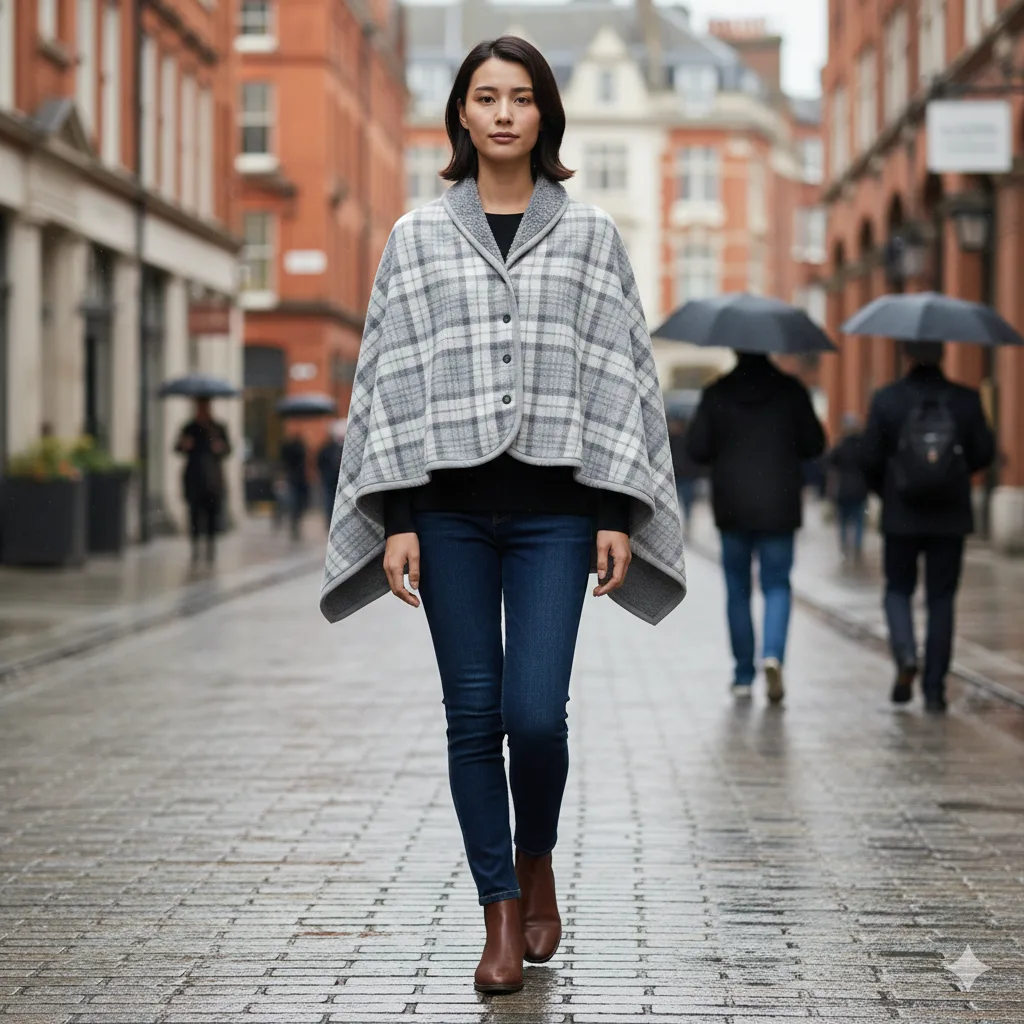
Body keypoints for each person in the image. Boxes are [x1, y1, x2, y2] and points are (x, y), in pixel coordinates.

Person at [317, 36, 686, 995]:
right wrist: (396, 514)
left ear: (545, 115)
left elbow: (619, 377)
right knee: (473, 716)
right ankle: (499, 913)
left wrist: (614, 507)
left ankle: (537, 858)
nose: (505, 113)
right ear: (463, 116)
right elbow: (390, 382)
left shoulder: (594, 235)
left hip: (558, 514)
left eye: (521, 97)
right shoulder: (416, 236)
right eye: (486, 97)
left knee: (536, 715)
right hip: (444, 514)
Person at [861, 340, 995, 713]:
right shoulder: (966, 400)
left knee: (898, 590)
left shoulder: (887, 399)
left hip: (901, 515)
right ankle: (935, 690)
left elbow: (869, 457)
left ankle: (905, 655)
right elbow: (984, 452)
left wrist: (888, 490)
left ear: (906, 355)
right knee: (941, 599)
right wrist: (950, 474)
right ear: (944, 354)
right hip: (950, 515)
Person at [686, 352, 825, 703]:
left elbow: (696, 448)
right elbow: (815, 445)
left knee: (738, 589)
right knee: (777, 584)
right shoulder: (791, 390)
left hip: (732, 505)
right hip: (779, 504)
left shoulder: (717, 392)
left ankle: (744, 675)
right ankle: (773, 655)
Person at [174, 397, 231, 565]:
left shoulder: (218, 428)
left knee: (212, 514)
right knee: (193, 515)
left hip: (213, 479)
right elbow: (177, 448)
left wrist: (219, 447)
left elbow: (228, 449)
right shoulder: (189, 428)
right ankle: (195, 549)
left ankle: (210, 549)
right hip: (194, 478)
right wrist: (184, 445)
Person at [827, 412, 869, 561]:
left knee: (844, 521)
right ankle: (856, 547)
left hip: (843, 489)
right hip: (860, 489)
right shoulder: (863, 447)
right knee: (858, 520)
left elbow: (830, 462)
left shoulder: (841, 446)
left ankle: (845, 547)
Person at [668, 415, 702, 536]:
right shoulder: (672, 439)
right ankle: (679, 525)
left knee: (686, 502)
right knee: (676, 503)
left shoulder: (688, 439)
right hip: (677, 475)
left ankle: (686, 524)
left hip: (686, 476)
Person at [279, 428, 309, 541]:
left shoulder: (288, 448)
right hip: (295, 479)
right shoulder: (297, 448)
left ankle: (293, 520)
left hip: (296, 479)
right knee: (294, 502)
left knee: (294, 502)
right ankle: (294, 520)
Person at [316, 419, 346, 525]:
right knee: (329, 502)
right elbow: (320, 462)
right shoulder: (328, 448)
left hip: (341, 481)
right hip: (330, 481)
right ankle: (330, 522)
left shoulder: (345, 448)